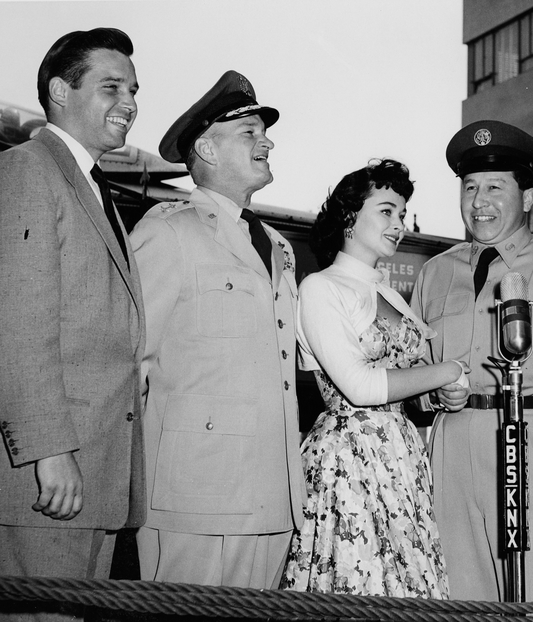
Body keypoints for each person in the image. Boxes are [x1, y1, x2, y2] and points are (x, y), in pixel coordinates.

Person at [410, 120, 533, 601]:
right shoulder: (436, 273)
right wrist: (429, 392)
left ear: (527, 198)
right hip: (455, 449)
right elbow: (411, 369)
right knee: (460, 600)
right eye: (470, 187)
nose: (479, 201)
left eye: (496, 187)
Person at [129, 71, 304, 589]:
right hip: (195, 495)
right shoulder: (168, 231)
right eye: (249, 132)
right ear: (205, 147)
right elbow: (130, 362)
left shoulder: (277, 245)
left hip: (274, 494)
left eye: (263, 132)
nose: (266, 141)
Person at [0, 28, 144, 622]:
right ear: (60, 90)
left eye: (134, 90)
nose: (130, 103)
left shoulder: (90, 182)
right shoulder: (28, 169)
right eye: (111, 87)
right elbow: (17, 323)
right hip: (52, 476)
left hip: (95, 473)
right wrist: (49, 449)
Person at [281, 159, 465, 598]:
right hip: (349, 459)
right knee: (358, 584)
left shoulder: (387, 293)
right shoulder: (322, 288)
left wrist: (440, 394)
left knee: (405, 585)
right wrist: (447, 370)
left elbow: (407, 382)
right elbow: (360, 388)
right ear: (349, 216)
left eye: (401, 213)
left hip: (401, 457)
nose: (398, 223)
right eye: (386, 210)